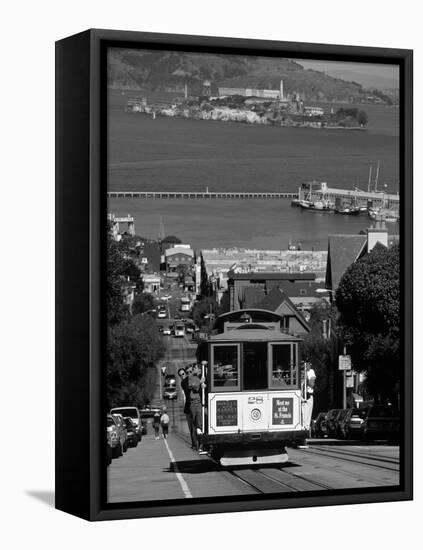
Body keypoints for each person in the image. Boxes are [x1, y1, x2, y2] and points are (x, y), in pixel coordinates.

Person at [187, 363, 207, 454]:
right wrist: (200, 382)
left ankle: (203, 444)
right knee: (196, 423)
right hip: (194, 403)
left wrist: (204, 384)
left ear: (199, 369)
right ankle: (199, 444)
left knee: (202, 423)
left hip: (203, 403)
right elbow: (193, 387)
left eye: (194, 368)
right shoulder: (191, 378)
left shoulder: (203, 376)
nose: (192, 370)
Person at [178, 366, 196, 449]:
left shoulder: (188, 381)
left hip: (193, 404)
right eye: (180, 375)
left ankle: (196, 444)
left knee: (195, 426)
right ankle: (194, 443)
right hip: (187, 406)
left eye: (183, 374)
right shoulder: (183, 383)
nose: (182, 376)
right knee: (190, 427)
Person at [300, 361, 316, 446]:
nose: (306, 366)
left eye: (308, 364)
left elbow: (312, 384)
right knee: (301, 417)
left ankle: (304, 439)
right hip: (300, 396)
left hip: (308, 397)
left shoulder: (311, 372)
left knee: (306, 417)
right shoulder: (299, 371)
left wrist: (306, 378)